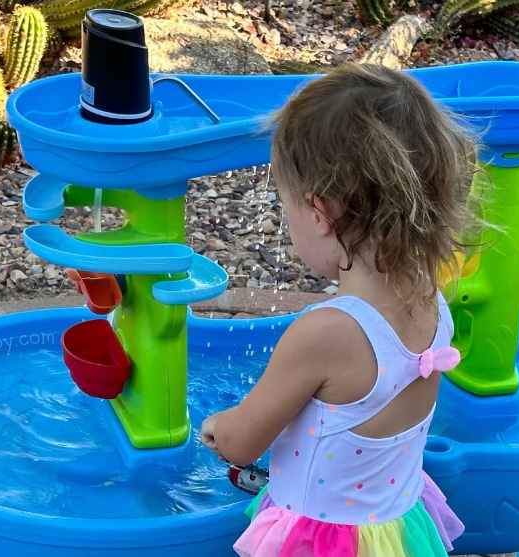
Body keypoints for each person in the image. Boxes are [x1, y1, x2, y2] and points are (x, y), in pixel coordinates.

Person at [200, 61, 482, 557]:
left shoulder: (327, 333)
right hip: (394, 531)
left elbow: (243, 443)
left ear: (321, 212)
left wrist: (217, 425)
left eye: (288, 207)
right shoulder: (433, 302)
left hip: (322, 541)